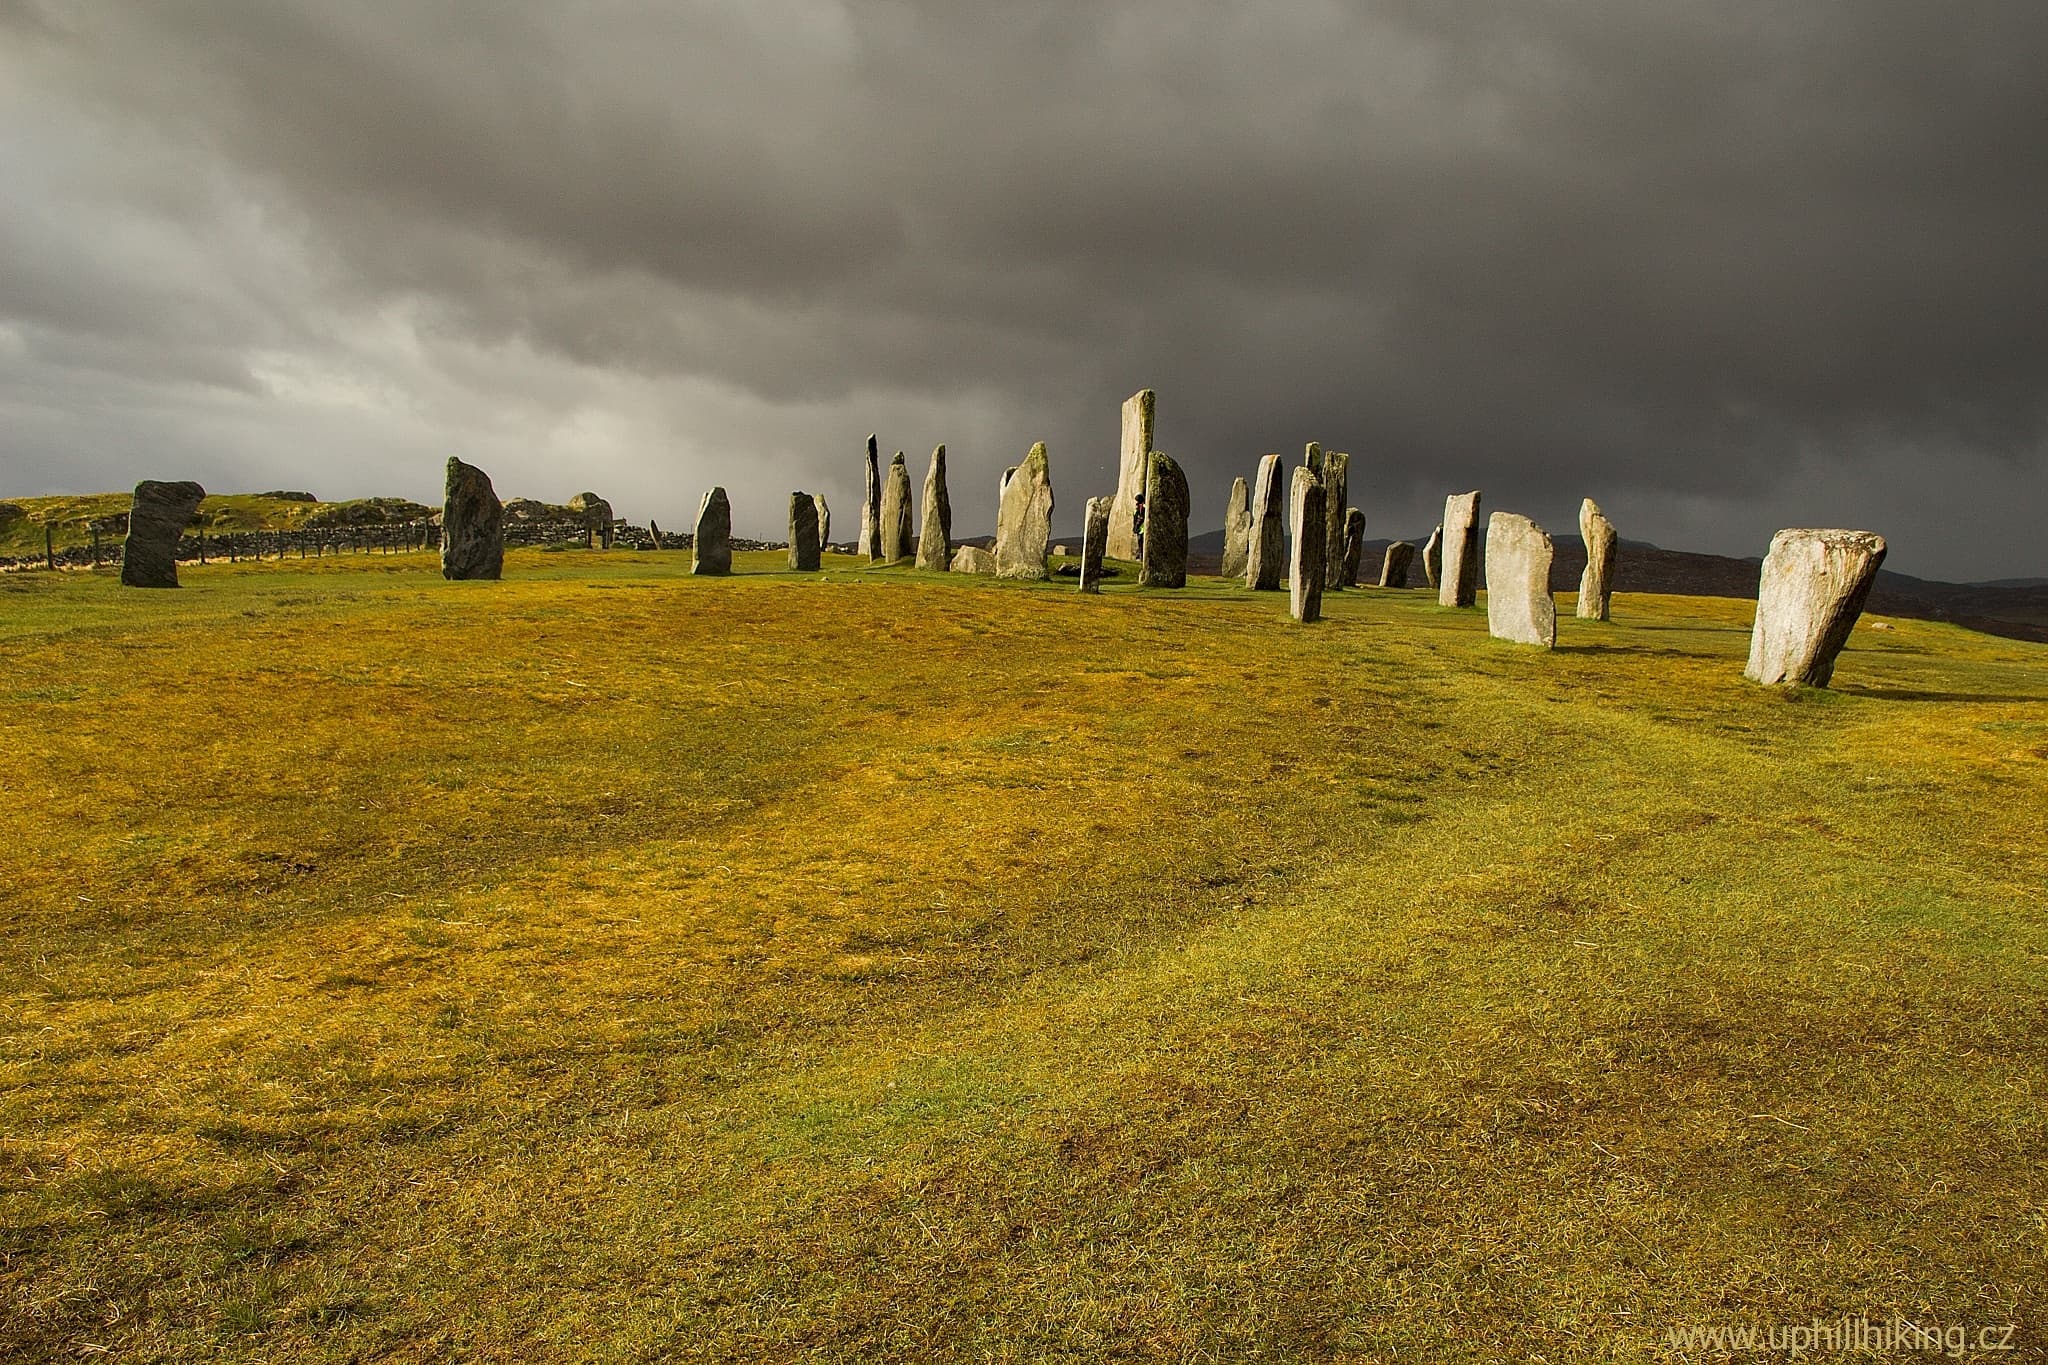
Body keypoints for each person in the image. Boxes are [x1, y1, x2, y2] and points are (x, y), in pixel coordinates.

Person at [1132, 492, 1146, 559]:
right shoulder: (1137, 509)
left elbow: (1141, 518)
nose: (1136, 503)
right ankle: (1140, 555)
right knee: (1139, 542)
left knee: (1141, 542)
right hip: (1139, 528)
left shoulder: (1143, 508)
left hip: (1142, 528)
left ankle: (1141, 556)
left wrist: (1136, 527)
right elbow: (1135, 518)